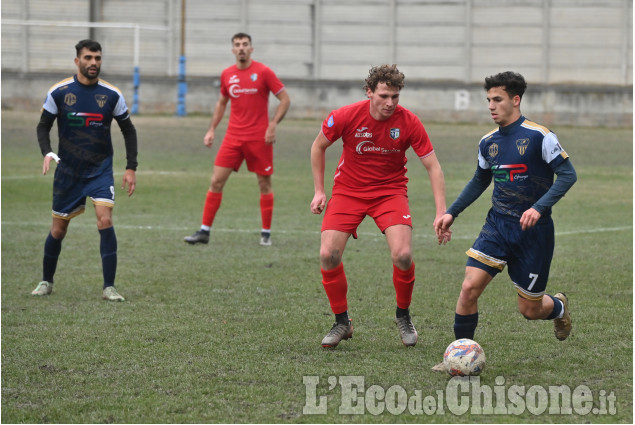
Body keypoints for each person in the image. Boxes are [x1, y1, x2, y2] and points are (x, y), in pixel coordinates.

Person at [432, 71, 577, 370]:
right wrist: (451, 212)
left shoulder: (540, 136)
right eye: (488, 100)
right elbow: (479, 180)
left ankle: (558, 306)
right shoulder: (488, 142)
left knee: (529, 310)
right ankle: (458, 359)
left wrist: (538, 207)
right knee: (469, 288)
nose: (491, 106)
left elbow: (568, 175)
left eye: (497, 99)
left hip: (533, 235)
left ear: (515, 99)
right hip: (497, 226)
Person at [310, 64, 449, 348]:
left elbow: (433, 167)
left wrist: (441, 212)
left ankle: (403, 315)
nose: (390, 103)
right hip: (348, 191)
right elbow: (318, 147)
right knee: (328, 254)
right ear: (369, 92)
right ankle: (341, 322)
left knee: (403, 255)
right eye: (384, 96)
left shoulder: (409, 122)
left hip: (390, 192)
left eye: (395, 97)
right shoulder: (345, 116)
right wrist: (319, 191)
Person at [32, 39, 138, 301]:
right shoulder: (59, 92)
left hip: (100, 170)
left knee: (105, 220)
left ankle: (109, 287)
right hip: (68, 172)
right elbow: (42, 126)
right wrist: (47, 151)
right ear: (77, 61)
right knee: (58, 230)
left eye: (98, 58)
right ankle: (46, 281)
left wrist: (130, 167)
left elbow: (128, 130)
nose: (94, 63)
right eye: (88, 58)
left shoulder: (112, 94)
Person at [184, 32, 290, 247]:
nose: (241, 48)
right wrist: (211, 129)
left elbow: (285, 100)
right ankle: (204, 231)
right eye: (237, 45)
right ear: (232, 50)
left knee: (264, 184)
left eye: (245, 44)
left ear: (251, 48)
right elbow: (222, 102)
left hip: (259, 138)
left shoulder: (263, 72)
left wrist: (273, 124)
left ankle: (266, 234)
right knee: (216, 181)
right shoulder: (227, 75)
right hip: (233, 137)